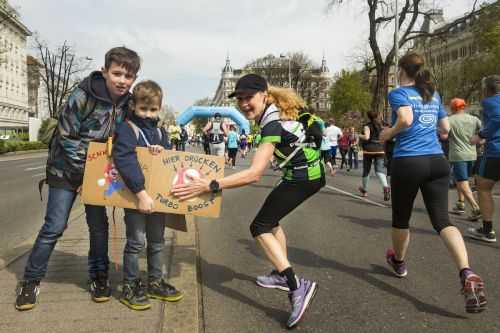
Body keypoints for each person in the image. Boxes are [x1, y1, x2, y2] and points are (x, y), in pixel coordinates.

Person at [171, 74, 324, 329]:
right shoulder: (276, 113)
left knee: (259, 227)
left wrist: (211, 184)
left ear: (264, 95)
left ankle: (296, 285)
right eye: (239, 99)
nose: (243, 104)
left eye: (248, 98)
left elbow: (254, 174)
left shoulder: (272, 123)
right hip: (303, 174)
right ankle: (280, 273)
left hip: (303, 178)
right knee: (271, 221)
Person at [15, 47, 141, 311]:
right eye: (117, 73)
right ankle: (30, 280)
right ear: (105, 71)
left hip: (96, 175)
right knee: (54, 227)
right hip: (65, 171)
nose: (122, 80)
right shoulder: (83, 95)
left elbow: (139, 132)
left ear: (134, 78)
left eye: (128, 76)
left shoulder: (129, 103)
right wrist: (86, 174)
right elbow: (66, 137)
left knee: (99, 226)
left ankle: (98, 276)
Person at [380, 52, 486, 313]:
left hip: (409, 162)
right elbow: (445, 130)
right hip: (437, 161)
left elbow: (405, 119)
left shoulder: (398, 93)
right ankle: (466, 272)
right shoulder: (433, 94)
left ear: (402, 70)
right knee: (442, 221)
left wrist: (389, 133)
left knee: (401, 219)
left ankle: (400, 262)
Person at [112, 80, 183, 310]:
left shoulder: (160, 132)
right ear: (133, 106)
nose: (148, 114)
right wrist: (141, 194)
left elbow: (170, 163)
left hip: (158, 199)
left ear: (159, 108)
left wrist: (163, 150)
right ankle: (130, 285)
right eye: (143, 108)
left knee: (157, 242)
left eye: (153, 109)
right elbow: (124, 160)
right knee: (135, 243)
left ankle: (155, 281)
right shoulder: (127, 129)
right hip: (136, 198)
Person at [468, 75, 500, 243]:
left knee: (483, 187)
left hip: (496, 153)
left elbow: (497, 118)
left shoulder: (490, 101)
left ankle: (487, 231)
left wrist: (480, 135)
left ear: (486, 89)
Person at [445, 98, 481, 220]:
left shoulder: (449, 120)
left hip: (458, 155)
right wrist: (481, 141)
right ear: (463, 107)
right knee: (460, 179)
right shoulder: (474, 119)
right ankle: (460, 203)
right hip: (472, 155)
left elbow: (444, 135)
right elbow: (484, 132)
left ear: (453, 108)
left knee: (462, 181)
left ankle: (476, 208)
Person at [358, 111, 390, 201]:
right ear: (377, 117)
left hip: (369, 150)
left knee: (366, 170)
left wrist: (359, 135)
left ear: (369, 117)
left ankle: (364, 190)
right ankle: (386, 187)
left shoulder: (367, 126)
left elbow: (367, 137)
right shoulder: (381, 126)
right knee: (379, 170)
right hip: (380, 149)